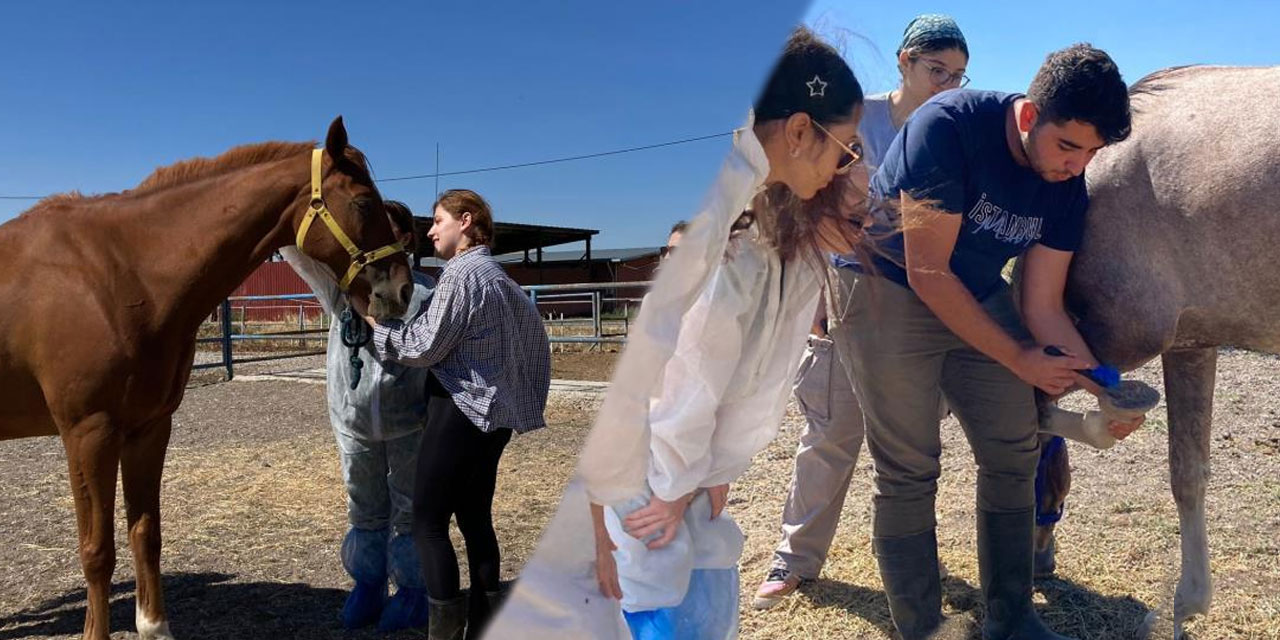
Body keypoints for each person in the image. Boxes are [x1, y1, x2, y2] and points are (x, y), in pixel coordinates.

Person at [829, 44, 1143, 640]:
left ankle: (1012, 617)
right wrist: (1019, 356)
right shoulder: (948, 126)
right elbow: (927, 271)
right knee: (910, 466)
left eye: (1093, 153)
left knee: (1014, 448)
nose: (1077, 166)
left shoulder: (1066, 185)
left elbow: (1042, 305)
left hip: (971, 287)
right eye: (1068, 146)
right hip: (883, 284)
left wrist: (1100, 386)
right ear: (1029, 117)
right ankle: (924, 627)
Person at [754, 13, 971, 609]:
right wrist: (816, 300)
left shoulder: (952, 131)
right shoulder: (856, 118)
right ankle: (795, 556)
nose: (946, 84)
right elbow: (800, 200)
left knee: (910, 442)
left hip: (918, 299)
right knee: (830, 431)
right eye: (936, 70)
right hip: (844, 290)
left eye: (957, 75)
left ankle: (908, 555)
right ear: (904, 61)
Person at [359, 189, 552, 640]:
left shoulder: (463, 274)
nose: (430, 231)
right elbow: (535, 351)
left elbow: (420, 346)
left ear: (466, 221)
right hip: (493, 418)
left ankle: (443, 631)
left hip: (459, 411)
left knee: (427, 524)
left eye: (438, 221)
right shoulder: (502, 279)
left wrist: (374, 322)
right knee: (475, 522)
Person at [282, 200, 434, 632]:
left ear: (405, 238)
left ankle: (412, 591)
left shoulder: (422, 293)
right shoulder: (342, 290)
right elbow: (299, 256)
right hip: (354, 420)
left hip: (410, 418)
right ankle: (367, 584)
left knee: (409, 507)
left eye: (388, 229)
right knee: (363, 505)